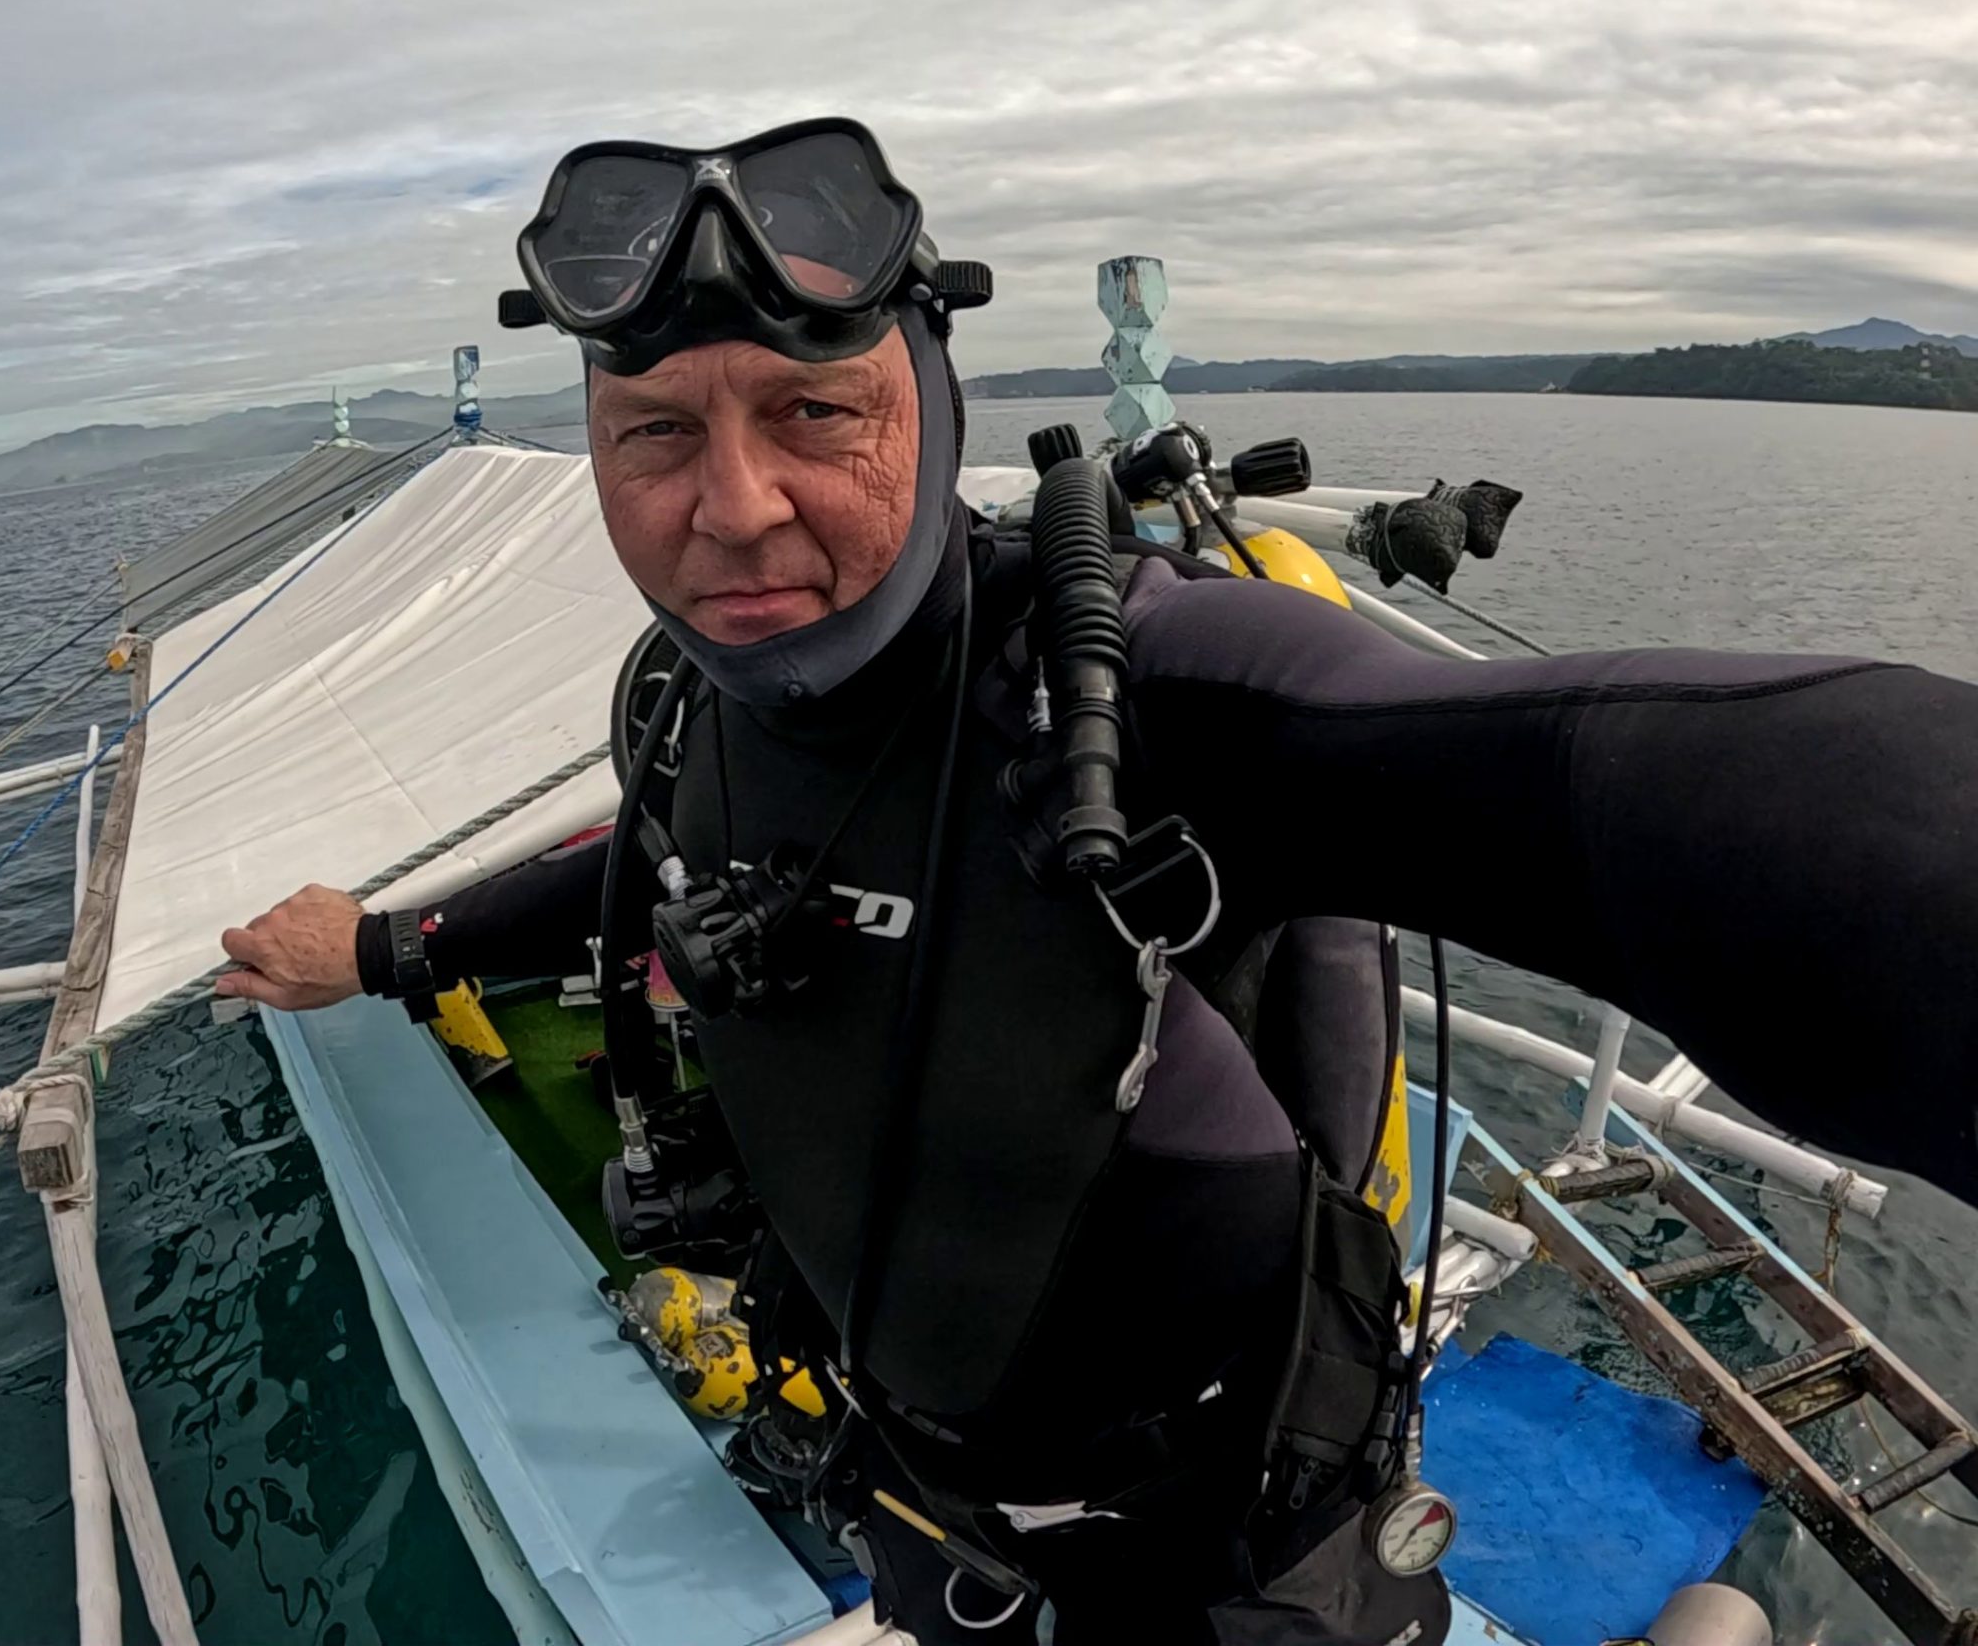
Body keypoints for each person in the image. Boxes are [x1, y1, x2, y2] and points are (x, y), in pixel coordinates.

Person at [211, 119, 1978, 1643]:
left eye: (815, 411)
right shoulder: (692, 715)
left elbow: (1704, 808)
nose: (732, 507)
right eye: (657, 433)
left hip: (1240, 1555)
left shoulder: (1147, 703)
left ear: (933, 405)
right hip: (926, 1509)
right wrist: (382, 944)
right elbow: (659, 852)